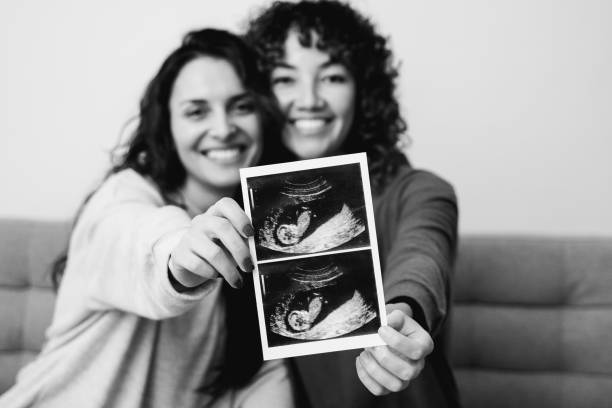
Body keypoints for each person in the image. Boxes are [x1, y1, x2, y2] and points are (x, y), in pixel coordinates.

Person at [0, 28, 295, 408]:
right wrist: (182, 256)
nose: (223, 129)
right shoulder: (123, 197)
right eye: (196, 111)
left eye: (242, 106)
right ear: (168, 126)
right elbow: (142, 242)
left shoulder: (266, 232)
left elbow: (256, 376)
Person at [246, 1, 460, 407]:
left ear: (363, 88)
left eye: (331, 77)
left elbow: (422, 254)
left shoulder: (419, 191)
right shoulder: (251, 206)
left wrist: (404, 313)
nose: (309, 100)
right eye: (285, 79)